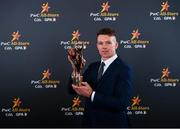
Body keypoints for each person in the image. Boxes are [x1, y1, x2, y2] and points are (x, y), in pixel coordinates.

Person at [68, 27, 133, 128]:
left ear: (116, 45)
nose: (104, 47)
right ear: (97, 46)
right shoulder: (93, 67)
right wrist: (76, 69)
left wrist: (92, 94)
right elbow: (72, 89)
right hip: (90, 123)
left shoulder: (124, 69)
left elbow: (122, 103)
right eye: (100, 43)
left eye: (108, 43)